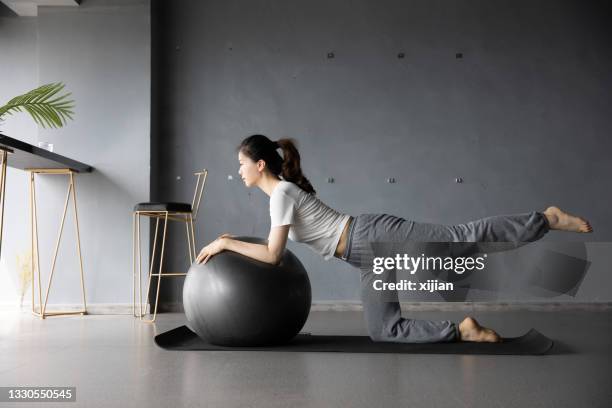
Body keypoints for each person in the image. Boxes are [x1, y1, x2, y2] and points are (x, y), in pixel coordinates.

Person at [196, 135, 593, 343]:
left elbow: (272, 255)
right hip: (364, 255)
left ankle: (545, 219)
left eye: (241, 164)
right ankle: (461, 331)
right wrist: (229, 240)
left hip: (374, 235)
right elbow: (272, 249)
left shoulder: (281, 193)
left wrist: (224, 244)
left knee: (462, 238)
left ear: (259, 164)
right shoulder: (281, 194)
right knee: (384, 330)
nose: (239, 171)